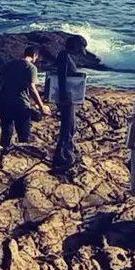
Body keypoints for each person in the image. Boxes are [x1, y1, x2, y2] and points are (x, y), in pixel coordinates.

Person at [0, 45, 49, 158]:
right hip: (20, 104)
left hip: (4, 102)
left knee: (6, 131)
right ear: (34, 55)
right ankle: (23, 158)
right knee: (23, 134)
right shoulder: (31, 68)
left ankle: (2, 156)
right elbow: (32, 88)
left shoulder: (8, 65)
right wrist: (41, 106)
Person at [51, 34, 87, 175]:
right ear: (75, 45)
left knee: (70, 125)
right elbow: (61, 75)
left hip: (68, 97)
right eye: (80, 48)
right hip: (66, 98)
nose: (79, 52)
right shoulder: (64, 56)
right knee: (68, 126)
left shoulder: (66, 56)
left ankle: (64, 154)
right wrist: (63, 94)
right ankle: (63, 155)